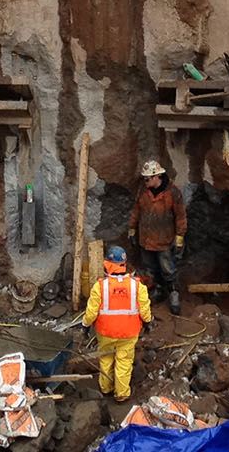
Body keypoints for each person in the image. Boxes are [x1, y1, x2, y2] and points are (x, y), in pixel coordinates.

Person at [81, 245, 152, 403]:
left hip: (105, 332)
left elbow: (91, 311)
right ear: (124, 264)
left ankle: (106, 388)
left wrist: (85, 326)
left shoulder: (100, 287)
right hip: (129, 333)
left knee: (106, 358)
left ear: (107, 264)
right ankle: (121, 394)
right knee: (124, 362)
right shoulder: (137, 286)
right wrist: (147, 323)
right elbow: (145, 309)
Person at [128, 160, 188, 315]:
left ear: (157, 177)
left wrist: (180, 236)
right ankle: (157, 291)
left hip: (164, 240)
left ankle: (173, 294)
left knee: (168, 270)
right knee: (150, 269)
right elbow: (136, 210)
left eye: (148, 178)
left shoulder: (172, 193)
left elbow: (180, 216)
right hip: (146, 240)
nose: (145, 181)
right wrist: (132, 229)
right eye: (145, 179)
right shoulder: (143, 192)